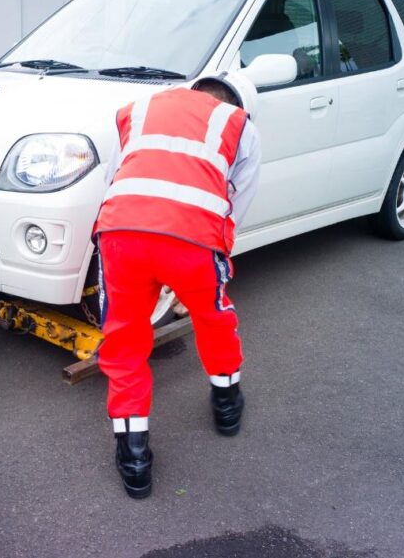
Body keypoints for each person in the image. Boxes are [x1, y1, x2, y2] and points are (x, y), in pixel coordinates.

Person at [93, 72, 262, 499]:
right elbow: (236, 201)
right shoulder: (240, 125)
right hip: (192, 241)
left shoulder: (144, 108)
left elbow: (116, 176)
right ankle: (227, 407)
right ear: (237, 104)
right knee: (213, 320)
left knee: (124, 340)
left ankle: (134, 461)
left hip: (122, 233)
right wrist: (215, 253)